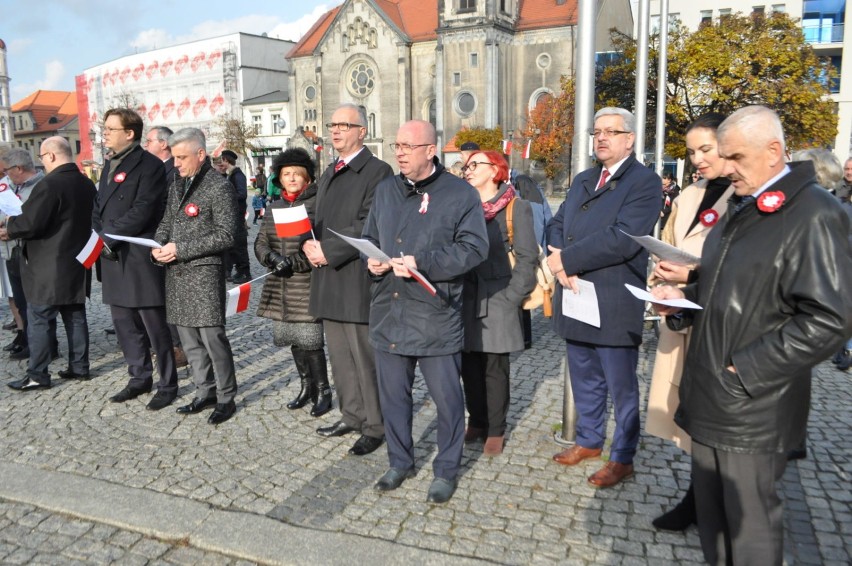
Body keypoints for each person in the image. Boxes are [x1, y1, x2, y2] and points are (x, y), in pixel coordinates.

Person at [652, 106, 851, 566]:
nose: (727, 167)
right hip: (711, 394)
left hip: (752, 405)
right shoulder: (743, 206)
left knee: (750, 529)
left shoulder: (814, 212)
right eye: (724, 156)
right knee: (714, 521)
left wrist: (746, 369)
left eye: (736, 157)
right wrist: (682, 302)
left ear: (774, 151)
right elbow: (727, 286)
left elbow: (830, 317)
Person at [364, 119, 489, 503]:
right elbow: (371, 236)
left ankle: (447, 469)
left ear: (430, 150)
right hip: (390, 312)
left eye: (407, 146)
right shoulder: (386, 190)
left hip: (435, 314)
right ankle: (399, 461)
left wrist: (424, 262)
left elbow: (474, 249)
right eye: (396, 146)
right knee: (394, 398)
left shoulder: (460, 194)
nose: (399, 153)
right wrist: (372, 259)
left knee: (448, 400)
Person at [546, 107, 660, 488]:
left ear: (630, 139)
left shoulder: (644, 182)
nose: (602, 138)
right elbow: (557, 223)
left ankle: (623, 457)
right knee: (584, 376)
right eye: (596, 131)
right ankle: (589, 440)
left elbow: (623, 238)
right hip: (576, 293)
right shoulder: (583, 179)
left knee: (621, 385)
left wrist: (566, 258)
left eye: (611, 131)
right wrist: (561, 264)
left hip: (612, 297)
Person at [645, 113, 734, 531]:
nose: (697, 159)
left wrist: (693, 277)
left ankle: (717, 504)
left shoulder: (743, 195)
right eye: (692, 151)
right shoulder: (688, 195)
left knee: (715, 419)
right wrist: (659, 277)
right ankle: (697, 498)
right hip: (679, 317)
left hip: (719, 325)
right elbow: (667, 243)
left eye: (705, 149)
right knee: (688, 411)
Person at [302, 103, 393, 456]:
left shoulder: (378, 171)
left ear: (362, 130)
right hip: (328, 277)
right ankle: (352, 414)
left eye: (344, 124)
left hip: (356, 277)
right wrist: (308, 242)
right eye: (332, 123)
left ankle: (375, 424)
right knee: (339, 357)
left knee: (364, 358)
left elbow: (369, 223)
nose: (335, 130)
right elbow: (320, 217)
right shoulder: (330, 170)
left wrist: (330, 250)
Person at [92, 108, 178, 410]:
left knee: (154, 326)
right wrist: (98, 235)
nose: (105, 133)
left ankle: (168, 383)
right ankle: (138, 377)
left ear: (130, 133)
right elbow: (98, 206)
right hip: (113, 256)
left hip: (139, 255)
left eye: (110, 128)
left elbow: (144, 208)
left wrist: (109, 236)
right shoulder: (108, 164)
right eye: (105, 128)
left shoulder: (149, 165)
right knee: (124, 323)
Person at [152, 128, 239, 425]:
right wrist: (158, 244)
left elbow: (227, 235)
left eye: (181, 157)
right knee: (189, 342)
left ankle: (226, 397)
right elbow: (167, 220)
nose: (175, 163)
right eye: (174, 157)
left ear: (201, 155)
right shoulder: (177, 183)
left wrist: (181, 249)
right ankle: (205, 391)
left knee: (213, 340)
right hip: (176, 273)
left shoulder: (219, 186)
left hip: (203, 274)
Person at [2, 137, 95, 391]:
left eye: (42, 157)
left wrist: (9, 227)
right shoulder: (87, 183)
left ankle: (38, 375)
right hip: (78, 259)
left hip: (48, 263)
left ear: (51, 156)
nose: (42, 162)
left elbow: (31, 222)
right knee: (75, 315)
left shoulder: (50, 184)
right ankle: (79, 366)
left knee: (40, 318)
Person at [460, 150, 537, 456]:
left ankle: (496, 428)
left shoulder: (517, 207)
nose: (468, 170)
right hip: (466, 295)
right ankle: (476, 420)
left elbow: (528, 256)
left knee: (494, 367)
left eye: (475, 165)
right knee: (469, 365)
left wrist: (512, 297)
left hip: (499, 295)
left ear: (496, 170)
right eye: (466, 166)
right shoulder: (464, 207)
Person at [254, 148, 332, 417]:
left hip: (305, 281)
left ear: (307, 178)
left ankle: (323, 390)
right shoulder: (274, 207)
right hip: (280, 283)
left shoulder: (316, 204)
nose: (291, 179)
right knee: (293, 340)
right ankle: (306, 386)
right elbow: (261, 241)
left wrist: (296, 262)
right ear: (279, 178)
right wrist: (272, 258)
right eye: (286, 174)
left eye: (297, 174)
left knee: (311, 340)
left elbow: (318, 243)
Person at [144, 125, 187, 369]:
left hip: (174, 241)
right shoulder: (158, 169)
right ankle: (172, 343)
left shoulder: (174, 170)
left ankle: (179, 346)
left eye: (149, 140)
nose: (146, 145)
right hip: (160, 241)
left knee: (173, 298)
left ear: (163, 144)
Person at [0, 149, 50, 360]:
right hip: (12, 250)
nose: (5, 174)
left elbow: (34, 220)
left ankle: (43, 346)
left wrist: (10, 227)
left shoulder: (41, 187)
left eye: (7, 170)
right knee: (20, 300)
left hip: (31, 251)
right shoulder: (10, 186)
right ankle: (26, 338)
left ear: (18, 168)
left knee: (34, 303)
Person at [221, 149, 251, 284]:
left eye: (222, 160)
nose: (221, 163)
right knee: (234, 246)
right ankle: (240, 271)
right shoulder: (231, 175)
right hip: (232, 215)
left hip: (238, 214)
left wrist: (227, 197)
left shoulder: (238, 175)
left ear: (226, 160)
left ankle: (245, 273)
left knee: (240, 245)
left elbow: (242, 194)